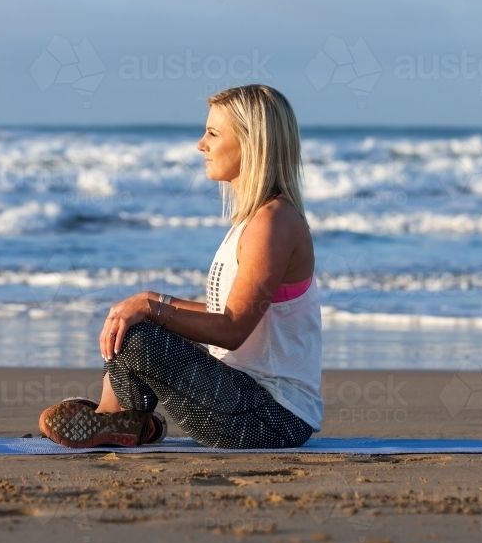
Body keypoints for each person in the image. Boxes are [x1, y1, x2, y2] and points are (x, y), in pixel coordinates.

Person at [39, 84, 323, 449]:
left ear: (251, 143)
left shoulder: (274, 222)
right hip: (244, 397)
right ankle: (124, 419)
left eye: (213, 133)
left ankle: (113, 419)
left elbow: (232, 328)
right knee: (134, 320)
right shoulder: (254, 219)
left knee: (141, 332)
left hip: (272, 418)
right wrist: (148, 303)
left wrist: (151, 306)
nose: (200, 144)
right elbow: (229, 314)